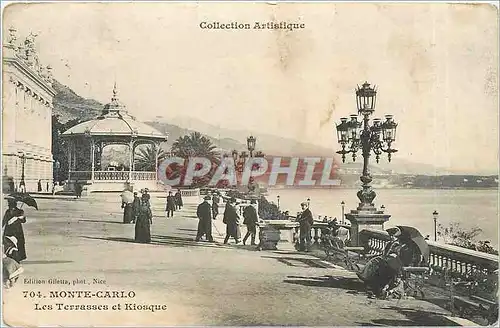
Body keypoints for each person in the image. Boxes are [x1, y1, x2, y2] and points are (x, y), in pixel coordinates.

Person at [356, 227, 404, 298]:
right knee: (374, 261)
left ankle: (366, 277)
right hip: (387, 260)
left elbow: (396, 256)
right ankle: (366, 277)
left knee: (375, 262)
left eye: (393, 236)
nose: (391, 237)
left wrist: (392, 252)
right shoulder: (390, 243)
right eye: (390, 236)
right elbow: (384, 253)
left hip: (393, 262)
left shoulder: (397, 244)